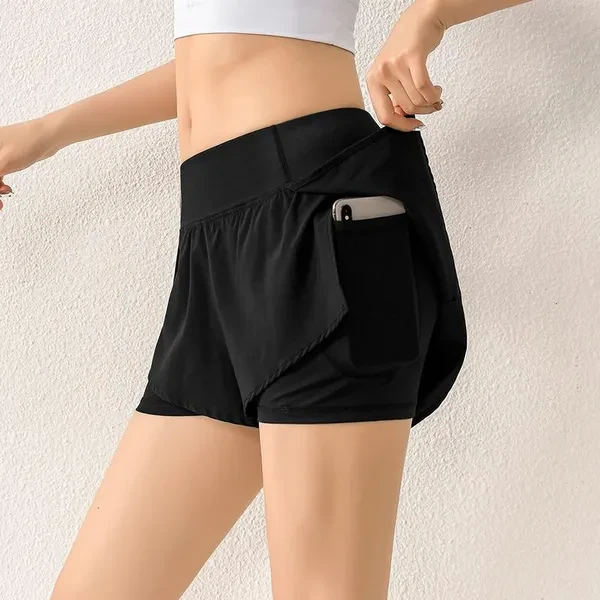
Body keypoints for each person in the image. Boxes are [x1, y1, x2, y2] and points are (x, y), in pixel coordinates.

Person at [0, 0, 531, 598]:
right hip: (214, 248)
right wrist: (46, 133)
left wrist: (429, 16)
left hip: (321, 227)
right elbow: (218, 55)